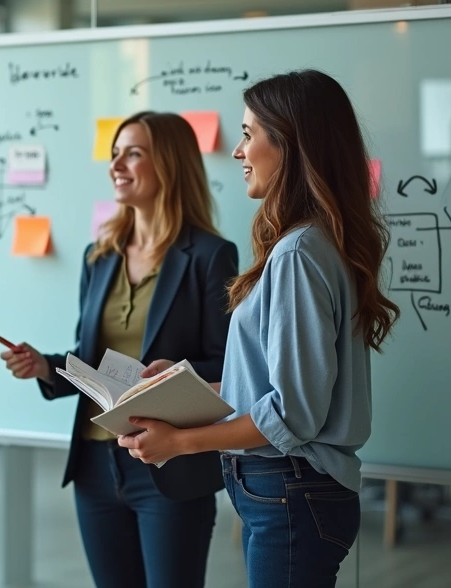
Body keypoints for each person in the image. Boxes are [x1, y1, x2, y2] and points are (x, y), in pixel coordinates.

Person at [118, 70, 400, 588]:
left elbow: (293, 415)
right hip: (291, 491)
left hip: (290, 489)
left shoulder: (298, 253)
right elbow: (282, 392)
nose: (238, 151)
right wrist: (189, 386)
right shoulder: (315, 243)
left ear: (288, 144)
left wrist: (181, 443)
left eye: (249, 134)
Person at [0, 111, 238, 588]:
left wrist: (173, 373)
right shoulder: (99, 256)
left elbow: (230, 367)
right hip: (94, 468)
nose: (116, 165)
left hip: (168, 468)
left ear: (169, 164)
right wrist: (45, 366)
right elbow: (90, 357)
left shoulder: (211, 256)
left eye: (133, 153)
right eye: (113, 154)